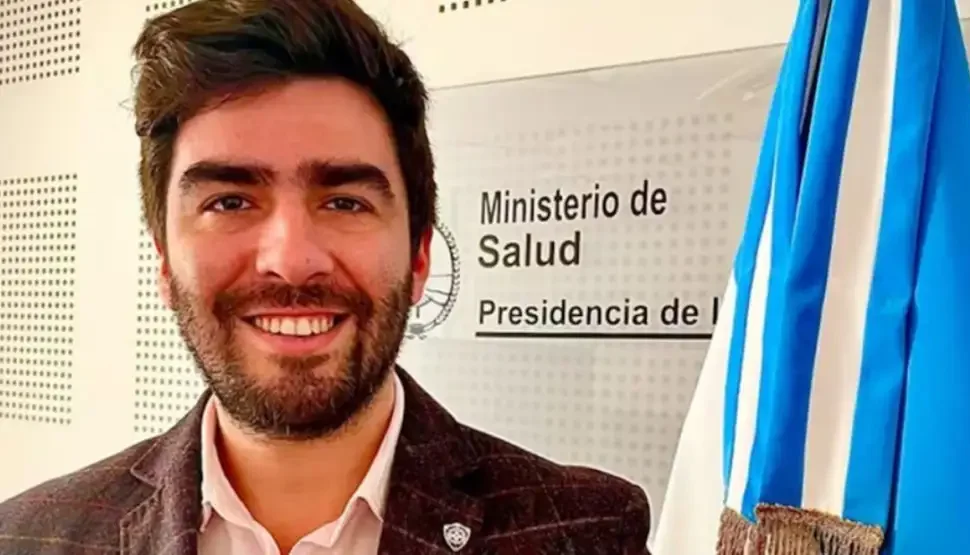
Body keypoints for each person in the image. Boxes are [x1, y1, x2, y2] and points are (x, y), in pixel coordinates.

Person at [0, 0, 652, 553]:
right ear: (165, 261)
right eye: (230, 201)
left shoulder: (590, 532)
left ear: (419, 256)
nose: (291, 259)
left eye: (344, 202)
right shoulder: (30, 536)